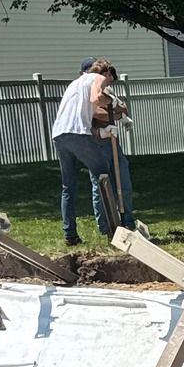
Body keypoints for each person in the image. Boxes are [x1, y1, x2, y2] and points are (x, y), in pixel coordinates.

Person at [50, 58, 133, 244]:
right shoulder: (97, 78)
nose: (109, 82)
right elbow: (96, 99)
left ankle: (70, 234)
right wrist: (111, 101)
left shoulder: (75, 83)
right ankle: (113, 230)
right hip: (79, 133)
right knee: (104, 175)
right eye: (109, 77)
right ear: (105, 73)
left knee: (68, 186)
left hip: (59, 135)